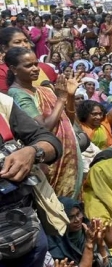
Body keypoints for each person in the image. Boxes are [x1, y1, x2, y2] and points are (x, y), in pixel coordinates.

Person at [5, 47, 81, 198]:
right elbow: (43, 128)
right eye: (28, 66)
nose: (35, 69)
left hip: (69, 158)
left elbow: (67, 123)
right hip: (50, 160)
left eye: (36, 64)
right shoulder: (17, 94)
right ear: (14, 69)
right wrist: (61, 99)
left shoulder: (44, 90)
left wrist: (70, 96)